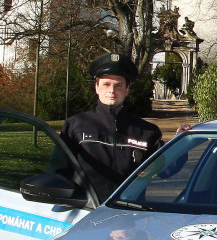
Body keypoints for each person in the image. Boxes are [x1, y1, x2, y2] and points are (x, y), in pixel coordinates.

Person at [61, 53, 184, 200]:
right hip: (86, 210)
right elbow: (59, 174)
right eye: (106, 84)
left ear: (127, 90)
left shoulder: (147, 132)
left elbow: (166, 169)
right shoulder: (76, 126)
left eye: (118, 85)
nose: (112, 90)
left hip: (129, 211)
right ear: (96, 87)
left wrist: (181, 143)